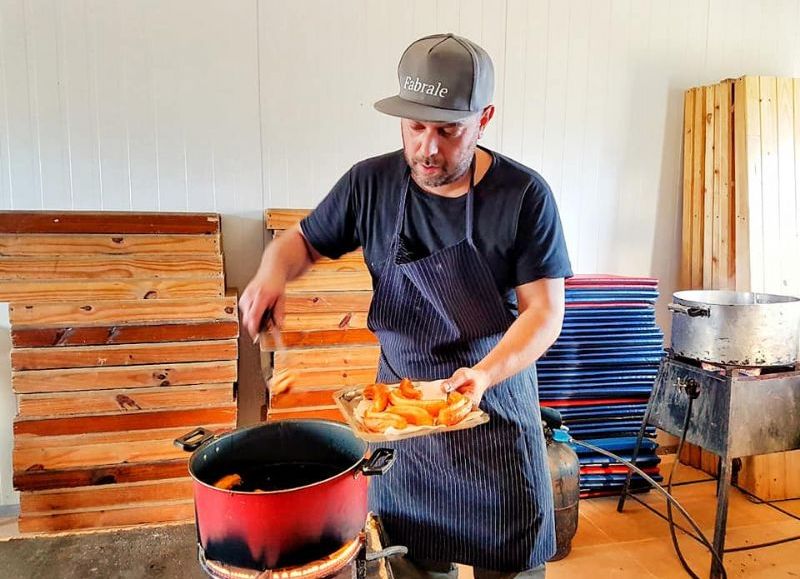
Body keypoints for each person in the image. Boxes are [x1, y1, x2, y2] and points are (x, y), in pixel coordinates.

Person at [239, 33, 573, 579]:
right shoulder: (370, 184)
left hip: (492, 410)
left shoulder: (523, 196)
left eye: (448, 130)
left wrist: (482, 376)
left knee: (511, 565)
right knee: (409, 563)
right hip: (399, 420)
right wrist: (271, 275)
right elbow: (298, 242)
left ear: (484, 118)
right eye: (415, 127)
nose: (427, 148)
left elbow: (544, 313)